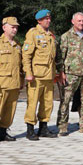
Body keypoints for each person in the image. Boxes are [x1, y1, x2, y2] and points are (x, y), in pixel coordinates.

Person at [56, 12, 83, 136]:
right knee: (65, 100)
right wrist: (61, 72)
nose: (81, 23)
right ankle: (63, 126)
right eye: (79, 21)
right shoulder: (66, 36)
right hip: (71, 73)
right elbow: (60, 56)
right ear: (73, 21)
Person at [0, 17, 23, 144]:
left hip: (14, 84)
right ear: (4, 27)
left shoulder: (17, 45)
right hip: (1, 84)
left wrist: (21, 81)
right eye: (12, 26)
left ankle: (3, 132)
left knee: (10, 110)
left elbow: (20, 66)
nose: (15, 29)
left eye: (16, 27)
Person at [22, 9, 59, 139]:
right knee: (33, 103)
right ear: (39, 20)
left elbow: (53, 57)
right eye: (45, 19)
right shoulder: (33, 33)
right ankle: (30, 129)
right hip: (36, 76)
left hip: (49, 75)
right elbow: (26, 55)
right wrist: (28, 72)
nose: (48, 20)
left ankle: (43, 128)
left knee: (47, 103)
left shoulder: (51, 35)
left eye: (49, 18)